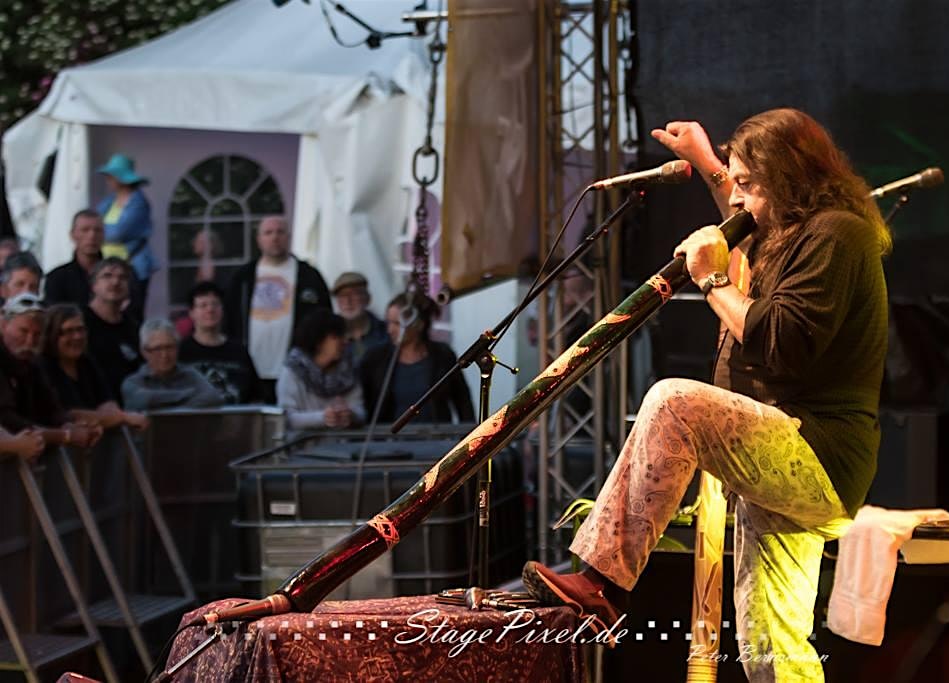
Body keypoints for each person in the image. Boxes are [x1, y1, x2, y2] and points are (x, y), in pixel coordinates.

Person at [521, 108, 890, 681]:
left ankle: (602, 583)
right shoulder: (791, 232)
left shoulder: (837, 234)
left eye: (748, 183)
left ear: (788, 175)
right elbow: (743, 217)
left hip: (816, 450)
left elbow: (780, 343)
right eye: (733, 183)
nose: (736, 198)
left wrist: (712, 279)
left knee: (675, 403)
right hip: (788, 453)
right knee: (769, 645)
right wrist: (706, 162)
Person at [224, 216, 331, 403]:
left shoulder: (309, 276)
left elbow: (325, 321)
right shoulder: (242, 278)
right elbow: (228, 321)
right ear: (259, 239)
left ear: (289, 237)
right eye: (268, 233)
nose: (274, 237)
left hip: (297, 371)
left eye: (280, 232)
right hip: (248, 372)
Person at [0, 293, 102, 449]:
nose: (29, 341)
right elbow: (7, 420)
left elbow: (51, 408)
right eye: (23, 331)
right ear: (3, 326)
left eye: (37, 335)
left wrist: (70, 425)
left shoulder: (32, 363)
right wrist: (65, 435)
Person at [360, 291, 474, 424]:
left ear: (418, 324)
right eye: (388, 322)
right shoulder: (375, 358)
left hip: (437, 434)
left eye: (397, 323)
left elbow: (462, 401)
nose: (390, 330)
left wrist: (471, 433)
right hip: (389, 435)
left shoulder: (442, 355)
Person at [41, 304, 148, 430]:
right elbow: (69, 415)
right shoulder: (43, 367)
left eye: (80, 329)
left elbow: (107, 402)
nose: (77, 336)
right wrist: (123, 417)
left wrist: (116, 416)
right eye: (68, 331)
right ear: (52, 335)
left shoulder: (86, 362)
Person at [276, 309, 365, 430]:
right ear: (318, 341)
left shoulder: (348, 369)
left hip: (343, 441)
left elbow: (360, 412)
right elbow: (286, 417)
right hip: (303, 441)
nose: (344, 341)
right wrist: (323, 418)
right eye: (336, 337)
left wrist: (350, 415)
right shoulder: (293, 370)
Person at [178, 281, 259, 404]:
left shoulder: (239, 351)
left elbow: (256, 396)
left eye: (215, 304)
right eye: (203, 305)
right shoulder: (181, 352)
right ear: (192, 313)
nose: (210, 309)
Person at [96, 154, 157, 313]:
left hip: (132, 267)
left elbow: (118, 233)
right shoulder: (110, 201)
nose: (108, 180)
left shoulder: (138, 203)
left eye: (111, 176)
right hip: (107, 266)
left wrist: (101, 231)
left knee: (131, 311)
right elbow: (95, 222)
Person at [121, 318, 223, 412]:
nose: (164, 355)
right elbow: (145, 400)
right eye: (157, 349)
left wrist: (161, 405)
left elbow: (213, 398)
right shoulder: (133, 382)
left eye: (169, 347)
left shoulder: (190, 374)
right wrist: (187, 394)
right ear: (144, 351)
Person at [83, 257, 141, 404]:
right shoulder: (80, 322)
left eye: (123, 277)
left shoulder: (133, 327)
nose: (115, 282)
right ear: (94, 285)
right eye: (107, 276)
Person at [44, 209, 105, 310]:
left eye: (97, 230)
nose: (92, 235)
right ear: (72, 235)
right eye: (85, 230)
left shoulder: (119, 276)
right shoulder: (57, 278)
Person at [331, 271, 388, 369]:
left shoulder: (386, 331)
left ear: (367, 298)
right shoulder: (330, 337)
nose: (348, 301)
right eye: (342, 296)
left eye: (354, 294)